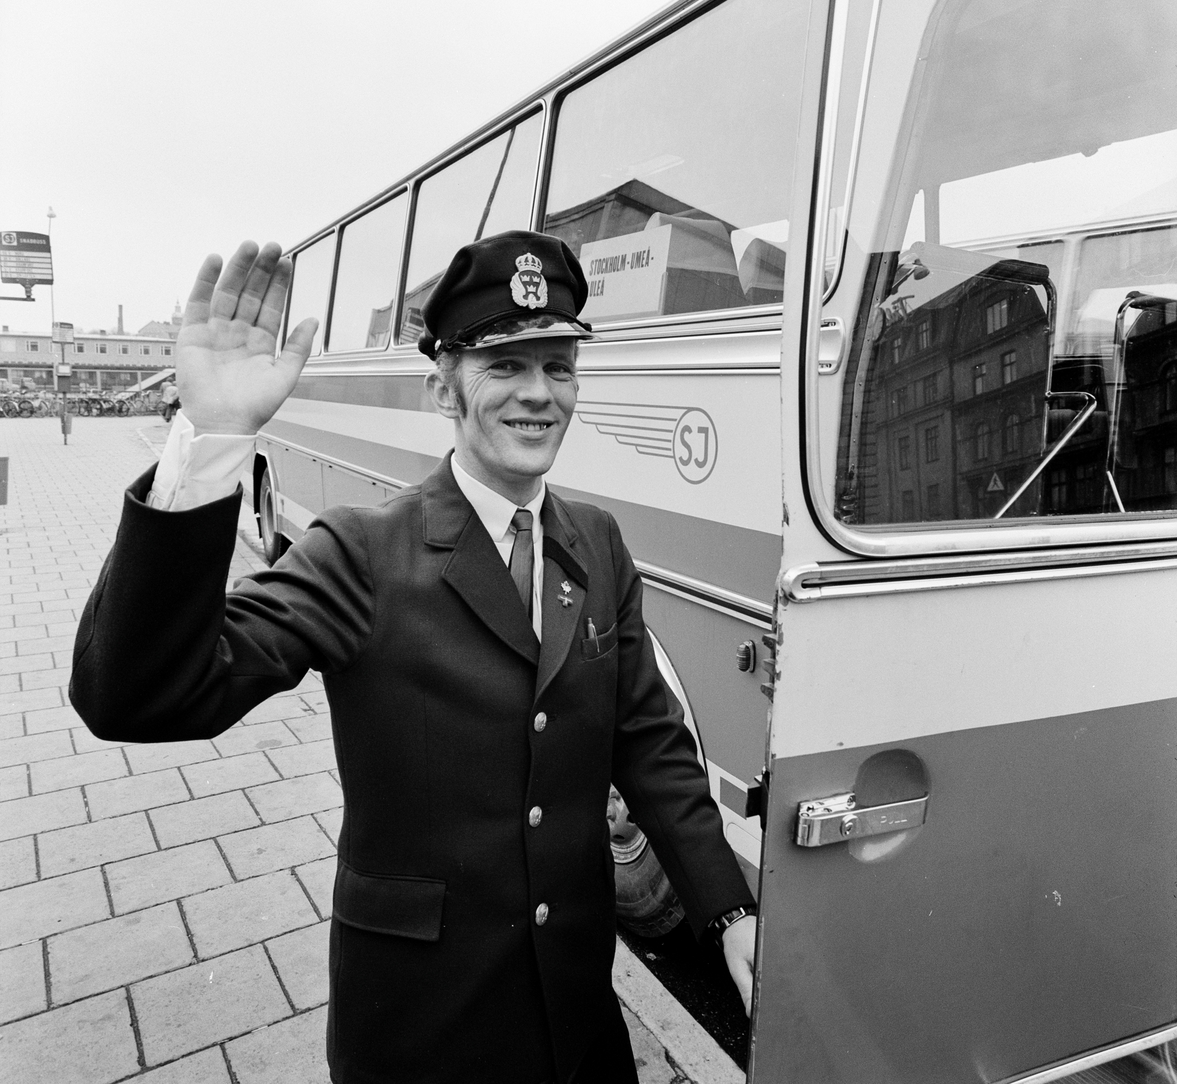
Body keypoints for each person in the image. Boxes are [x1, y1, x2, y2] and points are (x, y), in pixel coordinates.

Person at [70, 232, 757, 1084]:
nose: (539, 393)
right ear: (443, 389)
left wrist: (728, 913)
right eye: (504, 366)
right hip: (421, 1028)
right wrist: (209, 437)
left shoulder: (598, 543)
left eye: (559, 366)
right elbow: (135, 695)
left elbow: (649, 742)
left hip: (578, 1021)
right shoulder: (362, 552)